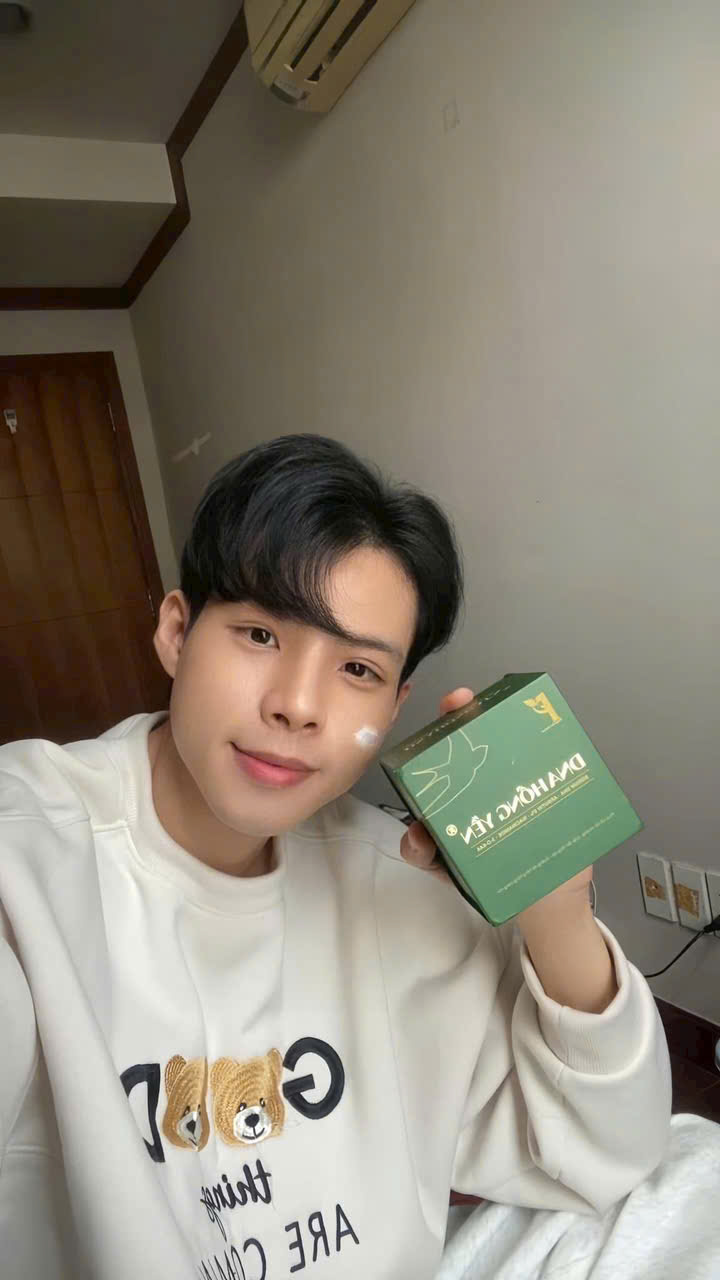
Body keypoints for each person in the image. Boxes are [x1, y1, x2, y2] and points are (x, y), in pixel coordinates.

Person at [0, 434, 675, 1280]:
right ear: (176, 632)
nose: (297, 705)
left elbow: (611, 1151)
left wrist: (556, 917)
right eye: (259, 633)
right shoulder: (27, 854)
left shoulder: (399, 884)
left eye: (356, 668)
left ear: (394, 707)